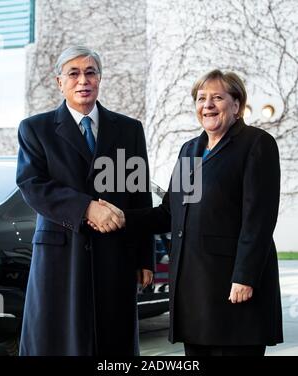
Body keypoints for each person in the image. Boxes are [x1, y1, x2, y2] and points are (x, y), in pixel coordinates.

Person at [96, 69, 283, 356]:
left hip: (233, 287)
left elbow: (258, 219)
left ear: (236, 104)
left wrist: (245, 277)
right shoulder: (190, 150)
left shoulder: (256, 144)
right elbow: (170, 213)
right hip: (193, 289)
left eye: (217, 98)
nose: (207, 105)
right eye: (201, 98)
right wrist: (122, 217)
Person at [16, 45, 154, 356]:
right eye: (74, 73)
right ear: (59, 82)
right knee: (59, 343)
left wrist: (145, 256)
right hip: (61, 256)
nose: (83, 80)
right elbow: (32, 184)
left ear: (100, 79)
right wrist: (85, 208)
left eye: (90, 72)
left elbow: (139, 194)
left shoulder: (129, 129)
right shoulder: (35, 129)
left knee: (112, 343)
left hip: (114, 254)